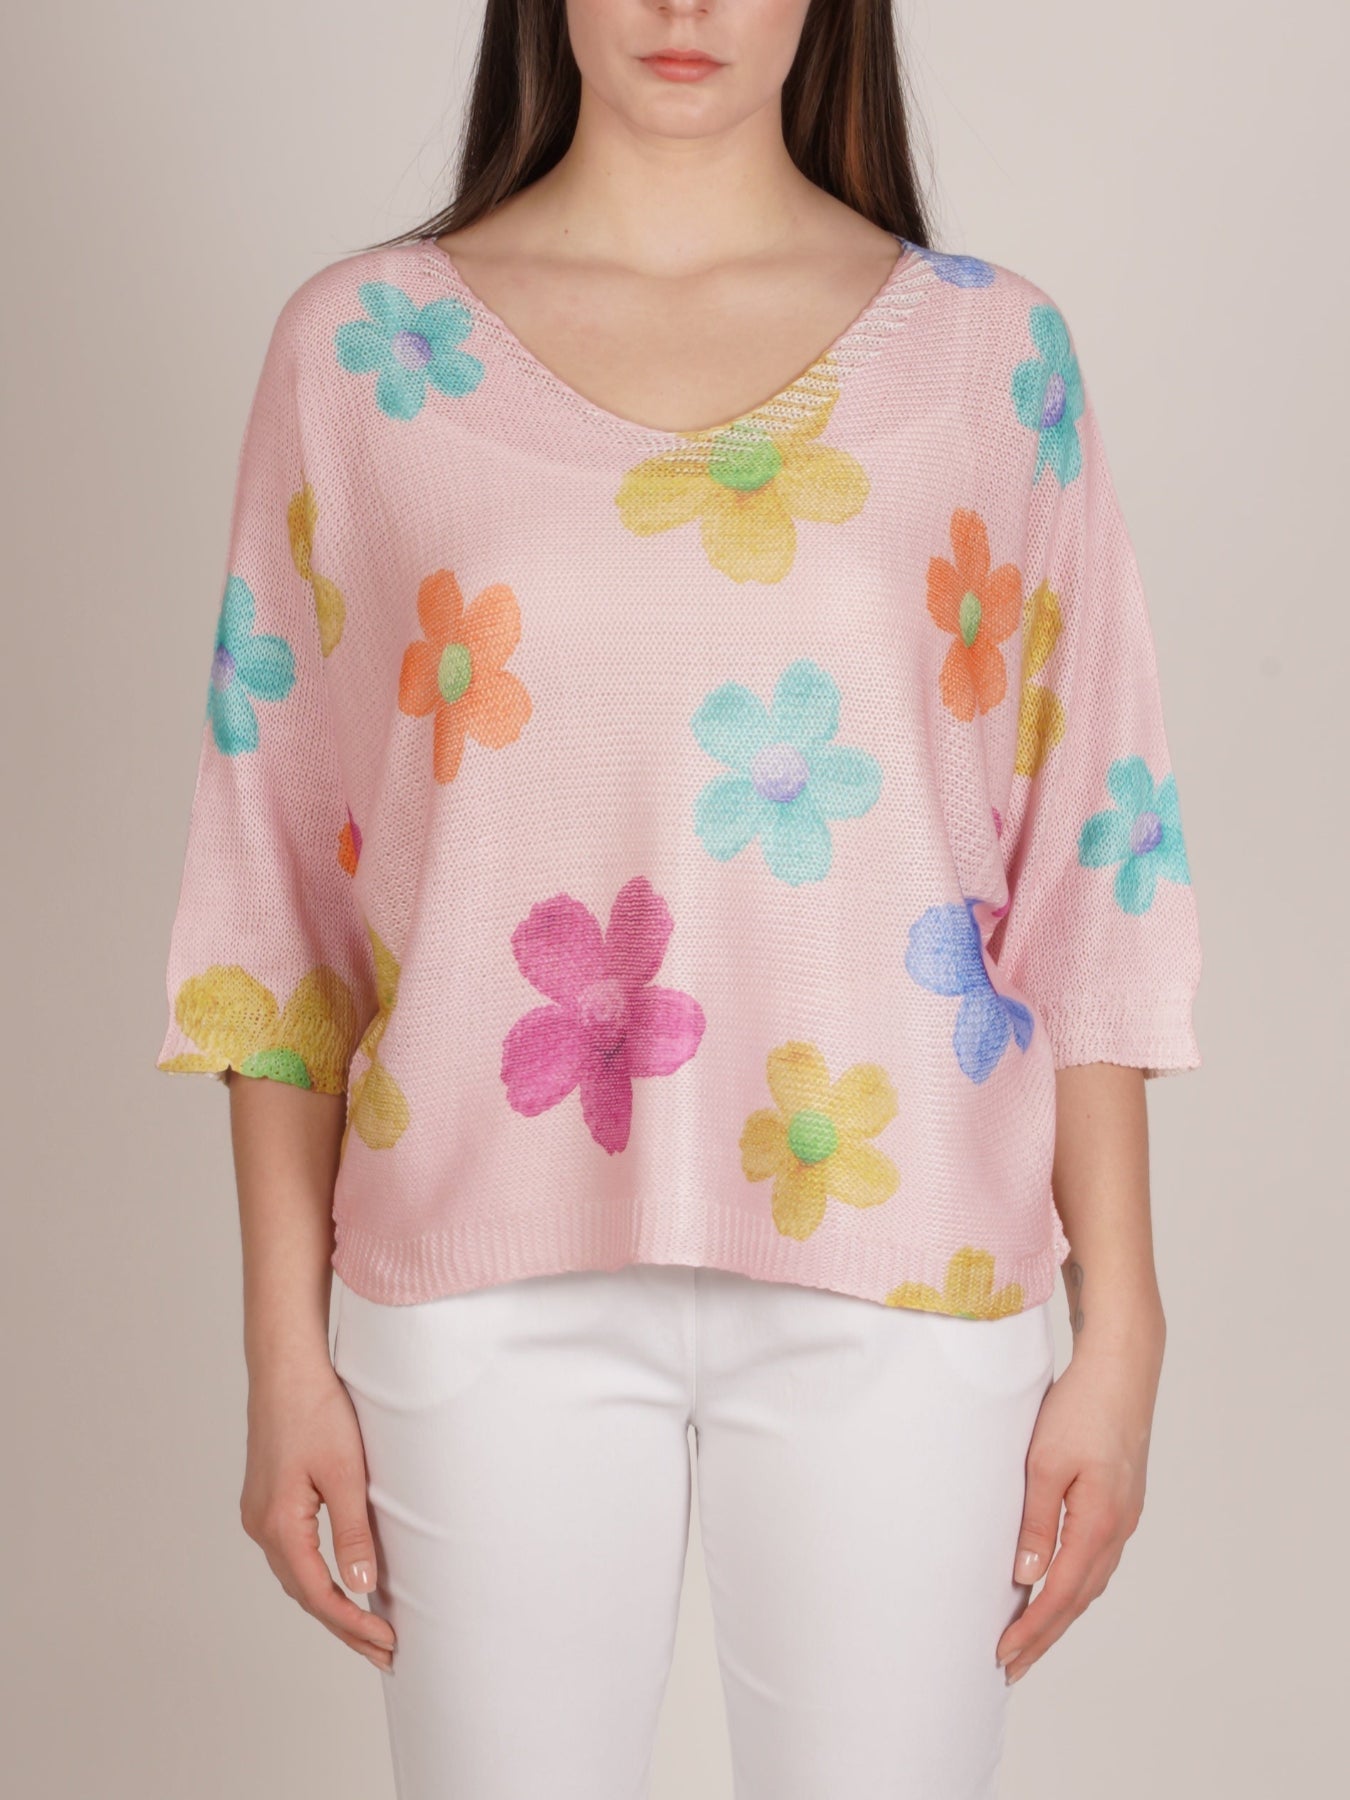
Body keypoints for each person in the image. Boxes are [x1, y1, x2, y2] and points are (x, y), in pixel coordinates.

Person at [155, 0, 1202, 1793]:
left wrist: (1127, 1328)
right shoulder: (362, 351)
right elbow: (278, 888)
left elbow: (1086, 856)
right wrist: (278, 1350)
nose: (685, 4)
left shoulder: (989, 355)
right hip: (477, 1270)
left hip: (904, 1264)